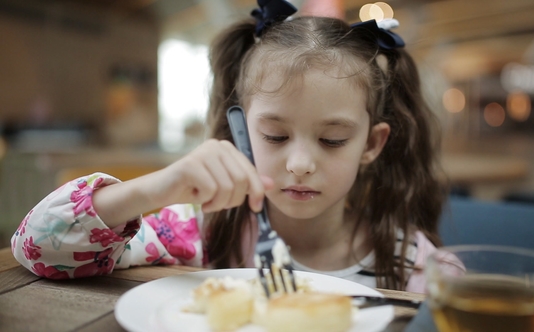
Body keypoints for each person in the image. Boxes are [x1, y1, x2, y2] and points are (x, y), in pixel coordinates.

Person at [11, 0, 445, 292]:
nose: (298, 164)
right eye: (274, 136)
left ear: (371, 144)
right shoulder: (197, 234)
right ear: (241, 129)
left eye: (333, 140)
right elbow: (38, 247)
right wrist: (158, 187)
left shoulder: (414, 267)